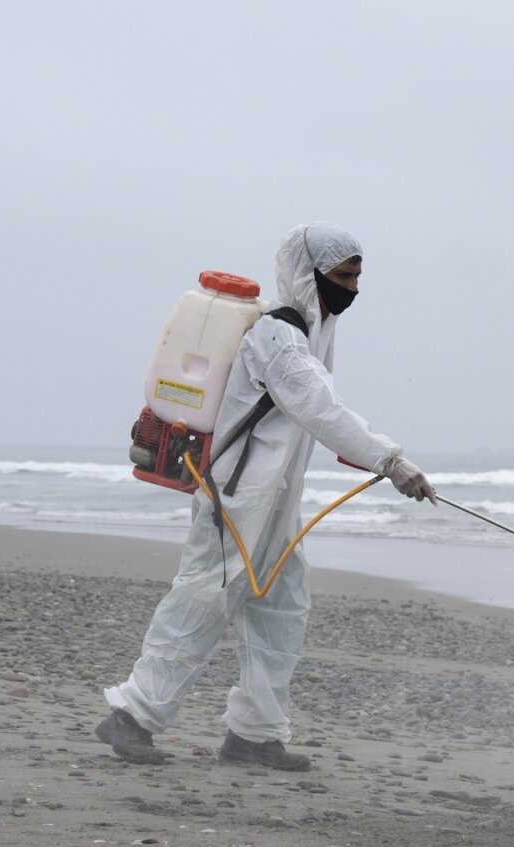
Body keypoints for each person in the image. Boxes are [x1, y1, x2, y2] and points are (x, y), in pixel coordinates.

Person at [96, 224, 434, 771]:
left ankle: (254, 736)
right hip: (233, 499)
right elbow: (321, 409)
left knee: (281, 607)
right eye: (343, 276)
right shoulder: (278, 335)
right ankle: (132, 716)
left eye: (356, 276)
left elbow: (318, 412)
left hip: (273, 501)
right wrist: (392, 462)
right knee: (203, 601)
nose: (352, 288)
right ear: (309, 272)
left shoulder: (314, 334)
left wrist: (384, 460)